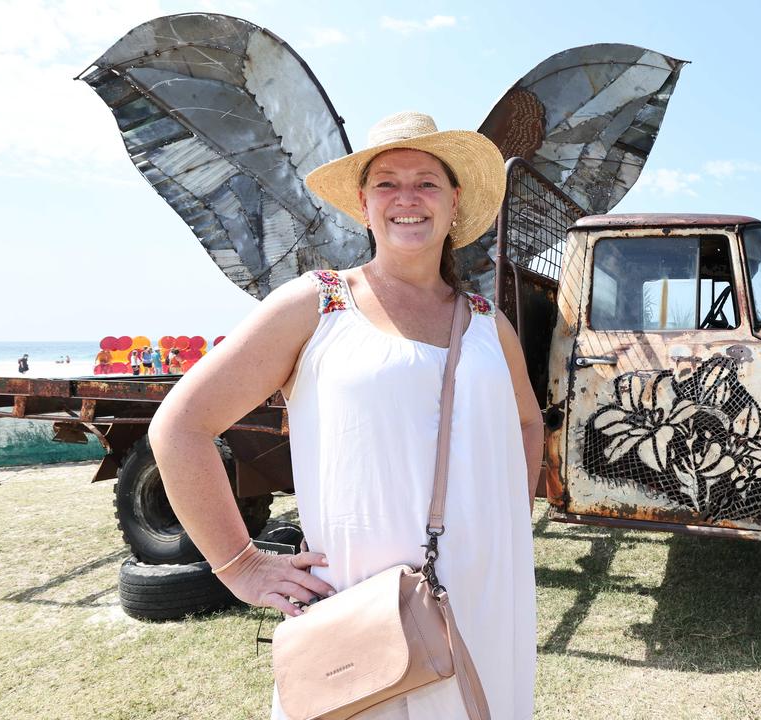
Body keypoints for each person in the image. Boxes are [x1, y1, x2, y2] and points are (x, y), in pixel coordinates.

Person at [148, 111, 540, 719]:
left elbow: (526, 422)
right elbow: (180, 427)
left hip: (489, 595)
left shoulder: (489, 321)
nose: (406, 198)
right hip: (365, 606)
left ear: (454, 202)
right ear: (363, 204)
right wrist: (240, 565)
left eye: (426, 182)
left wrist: (511, 516)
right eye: (387, 183)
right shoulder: (318, 304)